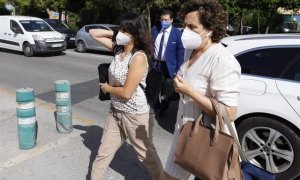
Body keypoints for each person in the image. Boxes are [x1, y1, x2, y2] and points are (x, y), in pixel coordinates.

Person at [164, 0, 241, 179]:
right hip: (183, 131)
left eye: (193, 27)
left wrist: (190, 92)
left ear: (211, 30)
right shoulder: (190, 50)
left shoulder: (222, 59)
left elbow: (229, 113)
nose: (186, 31)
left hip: (207, 139)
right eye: (184, 25)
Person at [89, 12, 164, 180]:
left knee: (146, 156)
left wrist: (107, 88)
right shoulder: (117, 49)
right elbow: (93, 33)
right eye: (120, 29)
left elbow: (126, 92)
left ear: (135, 34)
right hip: (115, 112)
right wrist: (117, 33)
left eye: (125, 30)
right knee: (103, 154)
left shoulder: (138, 57)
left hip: (135, 116)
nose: (120, 33)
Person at [149, 10, 184, 113]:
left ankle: (165, 105)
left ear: (171, 20)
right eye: (162, 19)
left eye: (166, 20)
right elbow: (150, 45)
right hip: (156, 63)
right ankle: (156, 105)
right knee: (154, 87)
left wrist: (178, 69)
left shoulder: (177, 33)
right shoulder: (155, 30)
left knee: (167, 89)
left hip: (169, 66)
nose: (163, 21)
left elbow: (180, 53)